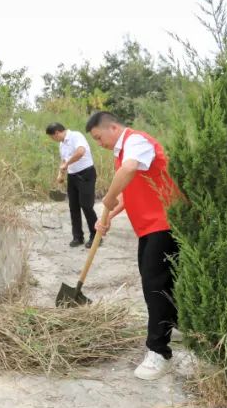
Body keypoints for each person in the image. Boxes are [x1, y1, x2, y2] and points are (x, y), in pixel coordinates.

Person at [87, 111, 180, 381]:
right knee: (161, 283)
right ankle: (177, 324)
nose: (99, 143)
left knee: (155, 287)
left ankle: (159, 352)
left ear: (112, 127)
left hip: (164, 224)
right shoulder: (124, 151)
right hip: (150, 228)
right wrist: (110, 214)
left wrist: (107, 197)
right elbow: (135, 188)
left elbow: (129, 171)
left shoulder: (136, 141)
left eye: (99, 137)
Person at [45, 122, 97, 248]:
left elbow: (80, 152)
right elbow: (64, 161)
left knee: (86, 205)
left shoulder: (75, 136)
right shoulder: (61, 144)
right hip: (72, 176)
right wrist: (60, 174)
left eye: (52, 137)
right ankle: (78, 237)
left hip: (86, 174)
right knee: (73, 207)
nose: (53, 139)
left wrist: (67, 163)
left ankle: (96, 236)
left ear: (57, 132)